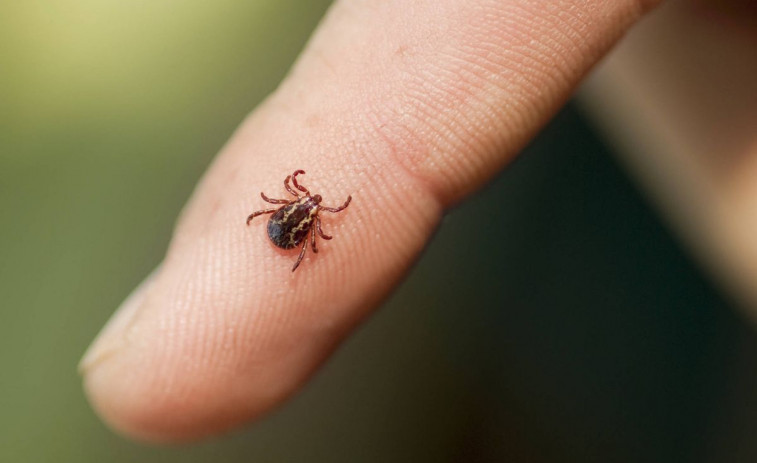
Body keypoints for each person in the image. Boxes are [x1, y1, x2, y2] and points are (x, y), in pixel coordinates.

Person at [79, 0, 750, 443]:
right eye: (301, 208)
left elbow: (286, 220)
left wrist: (294, 227)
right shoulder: (302, 217)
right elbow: (296, 226)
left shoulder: (295, 214)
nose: (303, 210)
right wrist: (302, 231)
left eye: (300, 209)